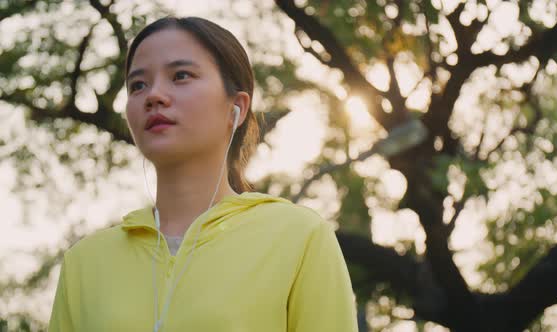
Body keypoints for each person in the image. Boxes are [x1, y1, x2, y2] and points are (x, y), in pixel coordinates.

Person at [48, 16, 358, 332]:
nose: (153, 95)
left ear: (235, 108)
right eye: (137, 85)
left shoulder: (298, 237)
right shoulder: (84, 264)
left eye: (181, 76)